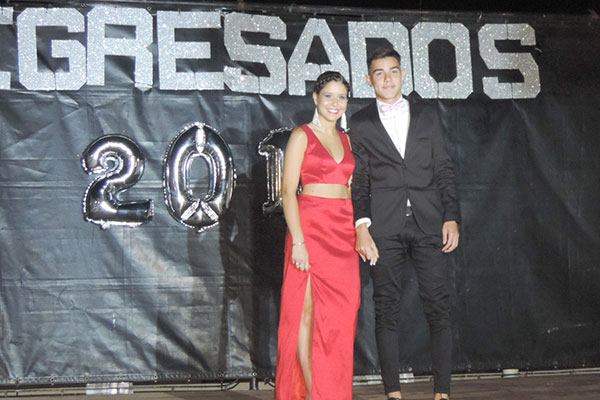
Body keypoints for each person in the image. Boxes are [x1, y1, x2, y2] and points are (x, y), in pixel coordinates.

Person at [349, 48, 460, 400]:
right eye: (379, 73)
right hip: (384, 226)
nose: (387, 78)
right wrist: (361, 225)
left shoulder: (427, 114)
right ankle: (393, 393)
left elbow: (444, 169)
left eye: (393, 71)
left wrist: (451, 216)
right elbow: (359, 180)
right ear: (369, 80)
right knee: (386, 309)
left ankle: (442, 393)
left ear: (403, 74)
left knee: (438, 306)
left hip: (429, 222)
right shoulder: (361, 122)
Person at [275, 71, 360, 400]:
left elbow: (351, 191)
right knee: (306, 314)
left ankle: (333, 390)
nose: (335, 103)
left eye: (341, 97)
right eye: (328, 96)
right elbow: (287, 191)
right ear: (315, 98)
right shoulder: (302, 135)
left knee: (341, 316)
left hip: (343, 230)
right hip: (310, 228)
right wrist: (298, 241)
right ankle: (315, 393)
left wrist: (359, 231)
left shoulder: (347, 140)